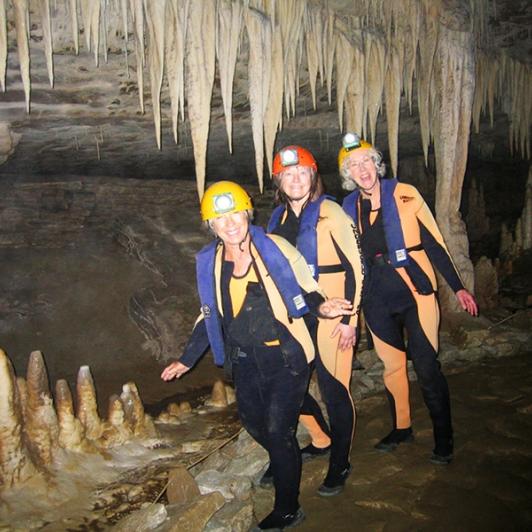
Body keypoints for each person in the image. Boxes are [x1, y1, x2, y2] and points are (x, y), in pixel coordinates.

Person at [161, 181, 354, 530]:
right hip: (246, 359)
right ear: (212, 226)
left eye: (236, 213)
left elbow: (306, 288)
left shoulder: (275, 247)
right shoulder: (210, 262)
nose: (231, 223)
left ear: (248, 213)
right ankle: (297, 451)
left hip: (286, 355)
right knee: (253, 423)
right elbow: (210, 314)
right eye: (221, 218)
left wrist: (324, 308)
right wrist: (187, 359)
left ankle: (287, 509)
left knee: (279, 431)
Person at [338, 133, 478, 465]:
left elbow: (434, 242)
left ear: (377, 163)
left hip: (415, 289)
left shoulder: (404, 193)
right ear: (348, 174)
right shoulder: (347, 207)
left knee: (427, 365)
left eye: (367, 161)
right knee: (392, 366)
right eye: (354, 165)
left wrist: (457, 286)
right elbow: (344, 257)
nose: (363, 169)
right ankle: (402, 427)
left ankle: (444, 436)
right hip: (376, 297)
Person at [267, 145, 364, 496]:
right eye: (288, 174)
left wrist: (351, 319)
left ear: (313, 176)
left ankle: (340, 461)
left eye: (302, 173)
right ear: (279, 180)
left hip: (334, 309)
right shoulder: (276, 219)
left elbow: (357, 266)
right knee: (287, 382)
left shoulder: (331, 212)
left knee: (333, 388)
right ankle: (321, 439)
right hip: (296, 312)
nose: (295, 179)